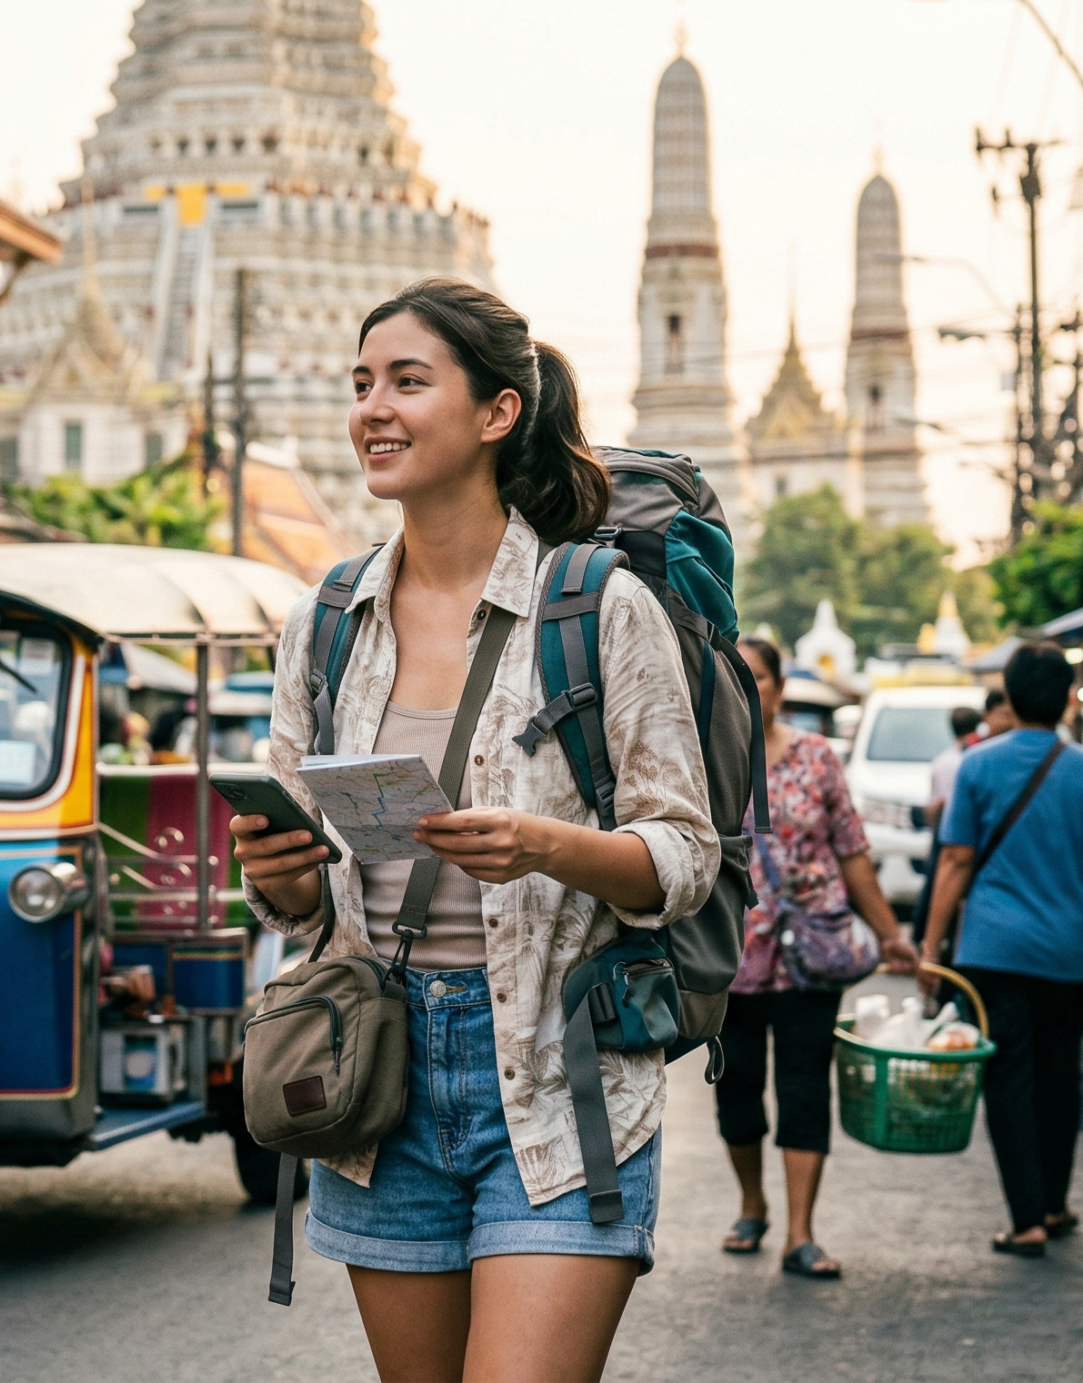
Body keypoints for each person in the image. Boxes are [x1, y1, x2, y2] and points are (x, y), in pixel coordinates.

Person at [230, 278, 718, 1382]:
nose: (374, 409)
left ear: (497, 413)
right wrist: (284, 870)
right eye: (362, 385)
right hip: (378, 1076)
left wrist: (543, 844)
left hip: (555, 1073)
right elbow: (309, 898)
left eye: (409, 381)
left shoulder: (596, 605)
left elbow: (684, 856)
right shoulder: (325, 620)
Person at [921, 642, 1083, 1257]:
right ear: (1070, 699)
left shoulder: (976, 765)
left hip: (991, 949)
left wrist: (929, 946)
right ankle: (1053, 1202)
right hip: (1067, 950)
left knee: (1009, 1078)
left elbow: (954, 861)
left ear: (1011, 695)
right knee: (1059, 1075)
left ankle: (1026, 1219)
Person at [715, 636, 918, 1279]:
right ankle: (752, 1203)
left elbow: (853, 852)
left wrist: (890, 934)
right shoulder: (704, 758)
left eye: (761, 679)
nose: (751, 690)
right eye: (736, 678)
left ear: (780, 688)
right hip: (732, 956)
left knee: (805, 1089)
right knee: (738, 1092)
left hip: (812, 953)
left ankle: (800, 1233)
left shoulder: (817, 758)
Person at [915, 704, 987, 940]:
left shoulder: (943, 761)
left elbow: (932, 805)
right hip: (969, 831)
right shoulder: (976, 759)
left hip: (945, 831)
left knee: (938, 885)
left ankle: (927, 939)